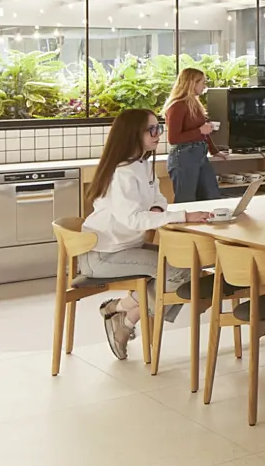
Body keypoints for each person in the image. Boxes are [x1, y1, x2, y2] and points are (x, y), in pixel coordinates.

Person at [82, 109, 213, 360]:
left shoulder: (142, 164)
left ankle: (121, 311)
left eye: (158, 128)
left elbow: (160, 199)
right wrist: (183, 216)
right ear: (132, 134)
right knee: (179, 270)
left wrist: (155, 210)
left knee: (189, 263)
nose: (158, 134)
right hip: (104, 254)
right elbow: (132, 220)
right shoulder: (122, 172)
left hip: (127, 247)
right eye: (151, 130)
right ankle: (125, 318)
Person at [164, 67, 225, 203]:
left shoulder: (195, 104)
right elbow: (173, 139)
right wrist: (200, 131)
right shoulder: (177, 106)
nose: (205, 86)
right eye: (202, 82)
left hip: (199, 154)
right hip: (183, 156)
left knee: (212, 195)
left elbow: (204, 132)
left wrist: (214, 150)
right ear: (192, 83)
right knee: (186, 200)